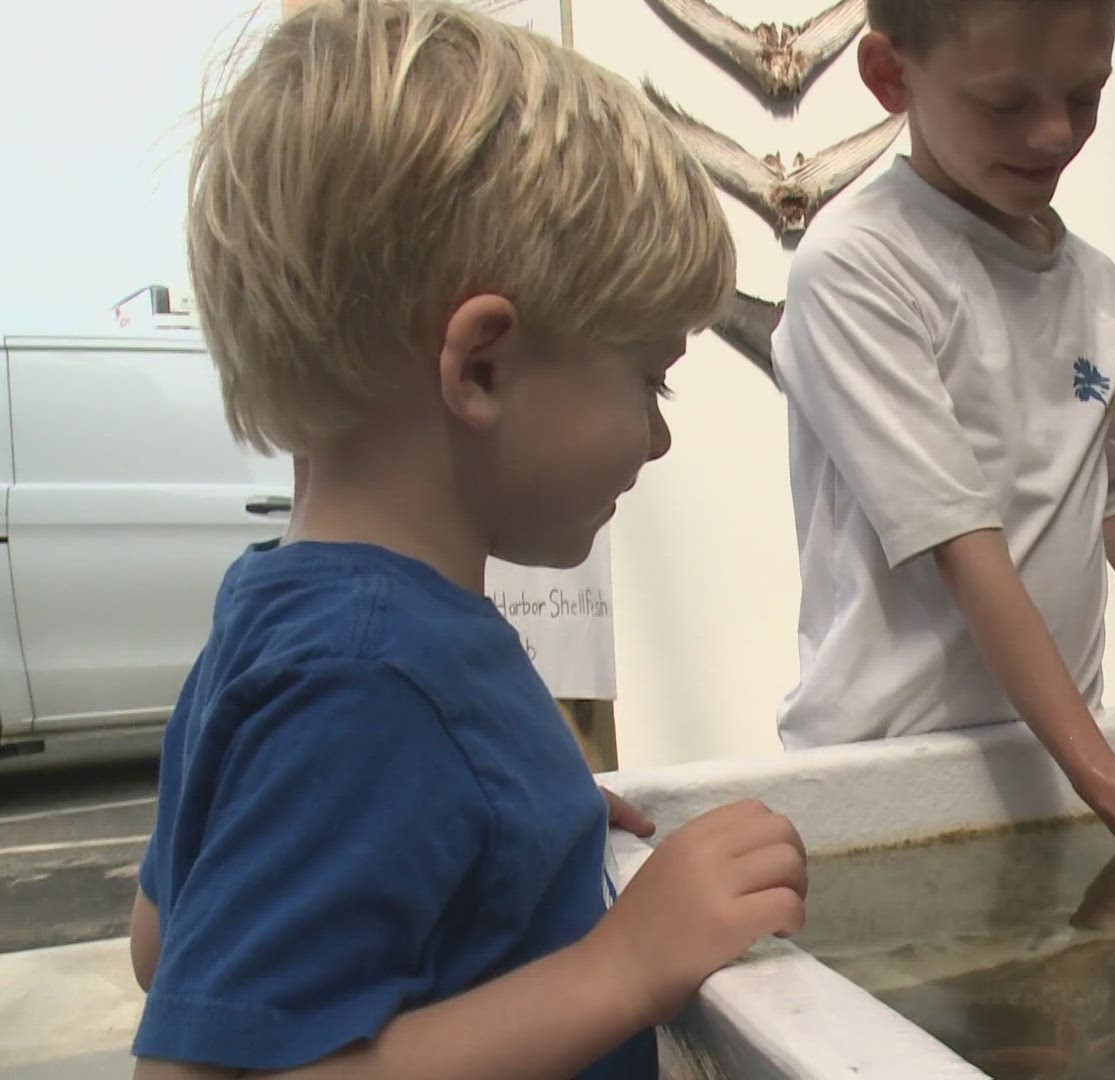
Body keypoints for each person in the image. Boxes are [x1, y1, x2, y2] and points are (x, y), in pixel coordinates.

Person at [126, 3, 806, 1076]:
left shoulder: (275, 617)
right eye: (649, 377)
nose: (661, 435)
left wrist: (503, 821)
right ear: (481, 367)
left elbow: (168, 951)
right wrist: (621, 968)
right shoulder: (370, 676)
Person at [772, 0, 1115, 867]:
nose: (1054, 134)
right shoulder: (860, 266)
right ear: (891, 76)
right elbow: (959, 541)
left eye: (1086, 95)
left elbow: (1114, 475)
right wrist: (1104, 776)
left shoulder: (1096, 287)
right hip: (890, 773)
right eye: (1005, 103)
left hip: (1051, 757)